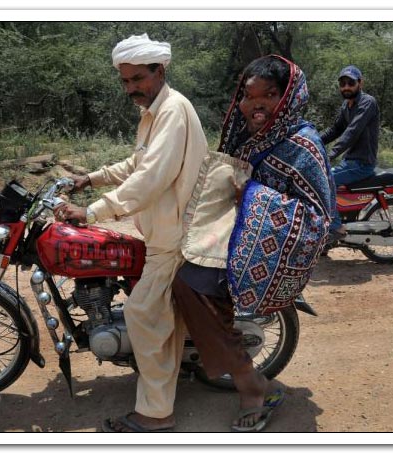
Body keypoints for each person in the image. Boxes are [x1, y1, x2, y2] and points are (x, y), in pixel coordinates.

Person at [54, 33, 208, 432]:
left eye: (138, 78)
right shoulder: (154, 113)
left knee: (143, 317)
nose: (130, 88)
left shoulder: (173, 111)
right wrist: (90, 178)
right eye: (125, 81)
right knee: (146, 307)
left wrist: (93, 211)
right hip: (162, 232)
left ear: (160, 71)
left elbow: (151, 177)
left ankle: (156, 413)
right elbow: (137, 164)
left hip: (176, 237)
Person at [172, 55, 334, 432]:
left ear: (289, 97)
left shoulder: (303, 145)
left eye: (269, 95)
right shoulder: (244, 136)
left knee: (190, 284)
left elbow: (318, 217)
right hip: (230, 235)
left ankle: (252, 385)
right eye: (249, 96)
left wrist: (252, 196)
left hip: (270, 251)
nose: (255, 105)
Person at [320, 65, 380, 241]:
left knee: (324, 181)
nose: (346, 87)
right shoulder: (346, 105)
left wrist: (330, 154)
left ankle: (336, 228)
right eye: (343, 83)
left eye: (351, 83)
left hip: (362, 163)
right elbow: (335, 130)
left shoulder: (367, 102)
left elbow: (352, 132)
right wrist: (312, 141)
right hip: (349, 162)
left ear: (360, 83)